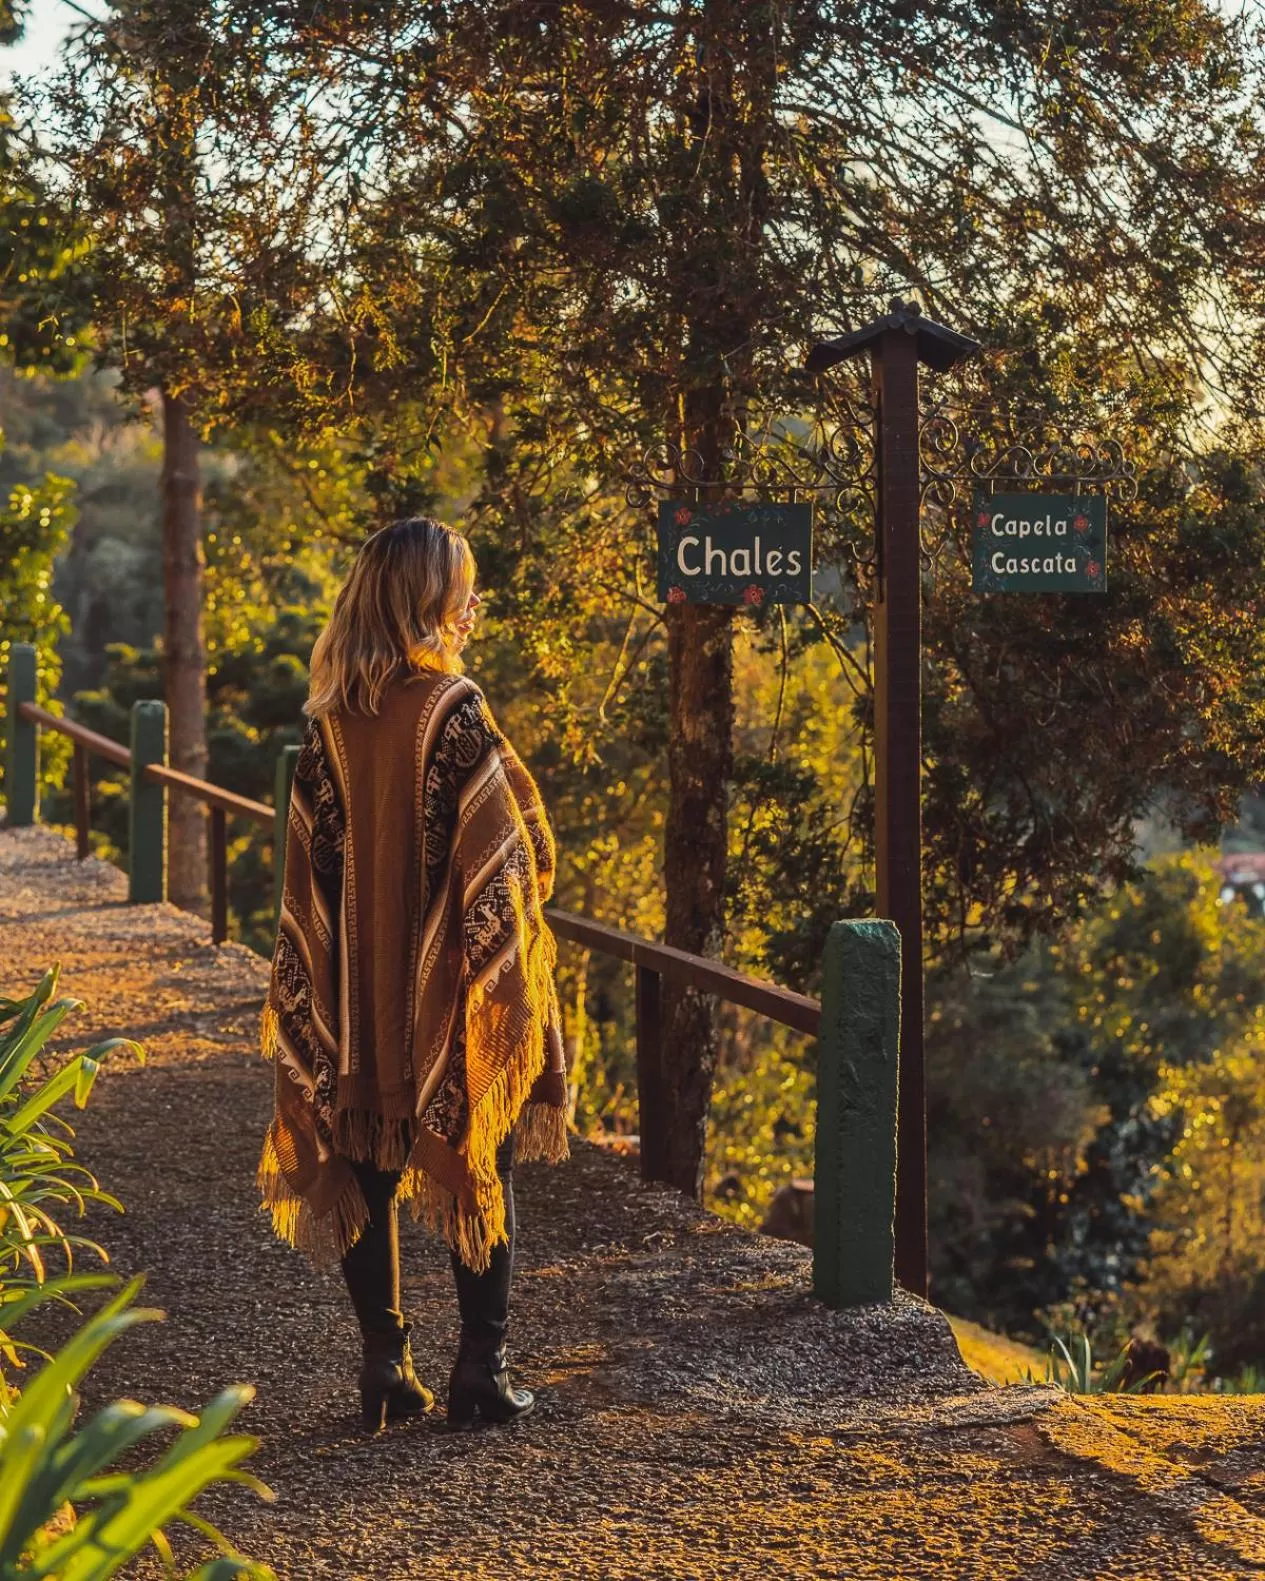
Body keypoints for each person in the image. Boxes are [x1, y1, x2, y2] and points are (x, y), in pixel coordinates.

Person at [256, 516, 569, 1432]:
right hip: (440, 992)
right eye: (463, 588)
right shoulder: (453, 707)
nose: (473, 606)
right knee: (482, 1148)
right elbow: (510, 857)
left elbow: (309, 875)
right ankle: (481, 1366)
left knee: (364, 1153)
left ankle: (385, 1364)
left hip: (356, 987)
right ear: (426, 600)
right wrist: (483, 954)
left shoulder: (330, 726)